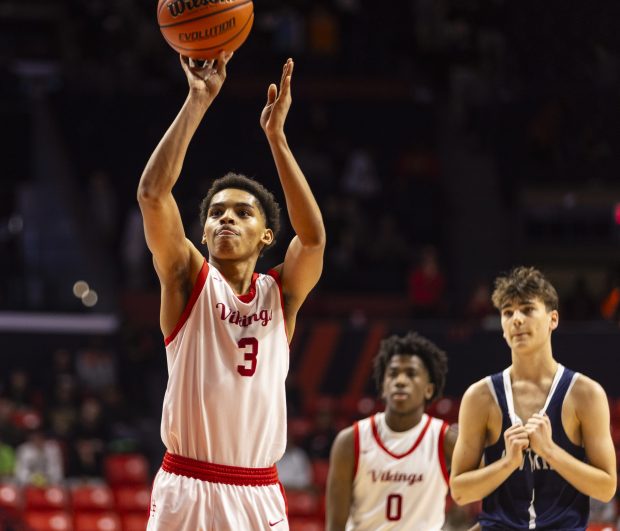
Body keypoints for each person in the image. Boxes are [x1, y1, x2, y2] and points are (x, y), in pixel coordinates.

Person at [138, 53, 325, 531]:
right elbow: (152, 195)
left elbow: (314, 239)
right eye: (217, 212)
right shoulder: (186, 278)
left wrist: (278, 140)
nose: (226, 218)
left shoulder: (280, 294)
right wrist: (197, 100)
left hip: (259, 491)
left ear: (267, 236)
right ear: (201, 232)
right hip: (189, 484)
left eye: (243, 212)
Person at [450, 266, 617, 530]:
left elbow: (606, 488)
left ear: (553, 319)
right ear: (502, 327)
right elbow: (460, 491)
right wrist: (507, 463)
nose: (516, 319)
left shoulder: (586, 394)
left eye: (527, 309)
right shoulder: (479, 397)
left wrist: (549, 451)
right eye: (507, 312)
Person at [326, 331, 457, 531]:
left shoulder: (445, 439)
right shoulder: (350, 440)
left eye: (411, 374)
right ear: (383, 386)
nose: (400, 381)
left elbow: (490, 492)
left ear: (429, 389)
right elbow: (335, 526)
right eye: (393, 374)